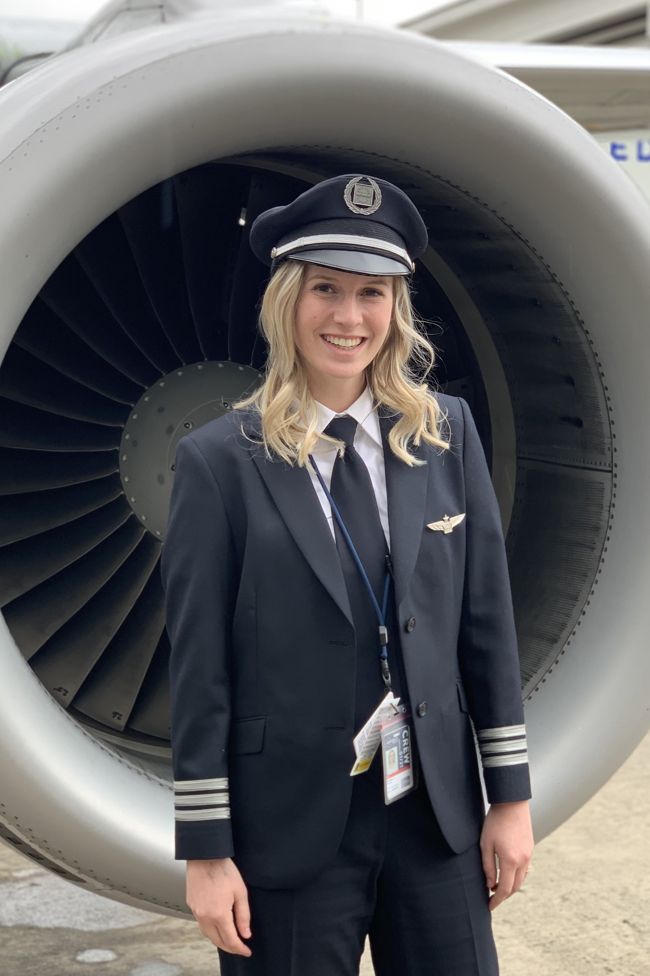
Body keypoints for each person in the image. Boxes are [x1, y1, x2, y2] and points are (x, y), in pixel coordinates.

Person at [161, 174, 533, 976]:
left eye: (371, 293)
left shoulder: (447, 436)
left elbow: (485, 627)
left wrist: (509, 798)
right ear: (287, 301)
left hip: (433, 816)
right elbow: (199, 672)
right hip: (287, 828)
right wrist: (207, 852)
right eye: (325, 288)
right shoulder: (218, 463)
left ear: (395, 310)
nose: (347, 317)